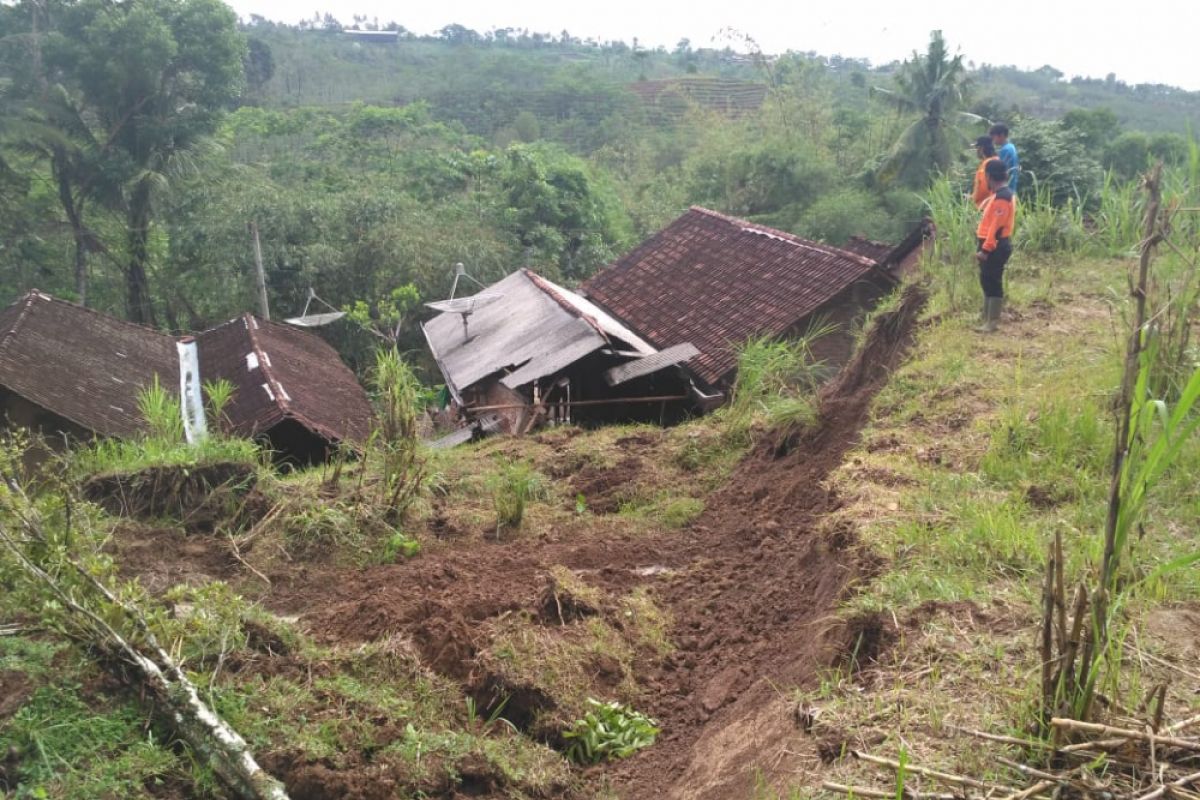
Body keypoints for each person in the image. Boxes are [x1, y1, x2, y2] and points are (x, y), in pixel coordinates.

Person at [975, 158, 1016, 333]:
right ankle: (986, 315)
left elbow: (996, 228)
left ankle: (992, 321)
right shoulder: (1000, 195)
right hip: (990, 244)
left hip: (995, 246)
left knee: (993, 281)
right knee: (986, 279)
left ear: (990, 176)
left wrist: (986, 249)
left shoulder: (1003, 198)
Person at [971, 136, 1000, 207]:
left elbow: (983, 188)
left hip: (985, 206)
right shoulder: (998, 160)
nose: (976, 151)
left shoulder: (985, 165)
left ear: (982, 148)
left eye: (977, 148)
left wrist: (972, 198)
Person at [990, 123, 1019, 192]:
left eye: (994, 137)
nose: (993, 140)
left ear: (1001, 135)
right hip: (1012, 186)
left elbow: (1000, 171)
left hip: (1006, 188)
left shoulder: (1005, 150)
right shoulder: (1011, 147)